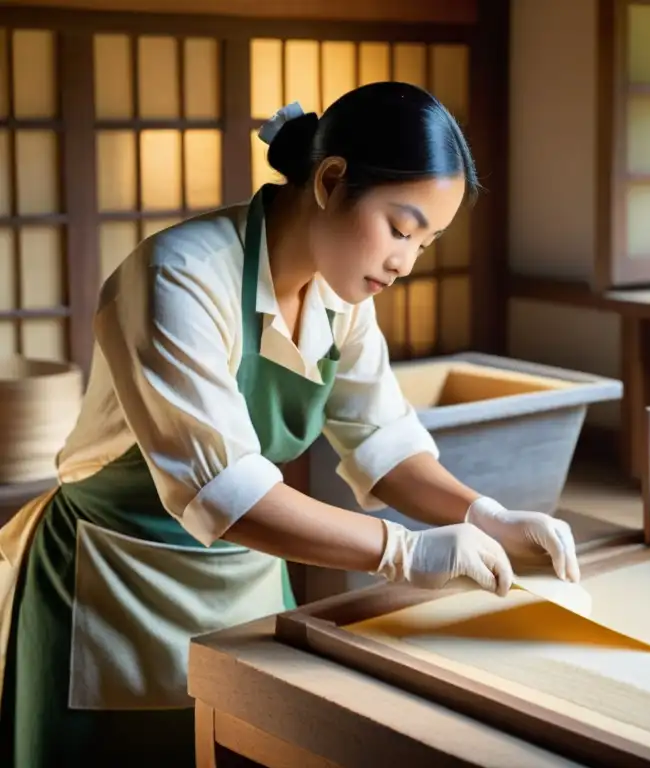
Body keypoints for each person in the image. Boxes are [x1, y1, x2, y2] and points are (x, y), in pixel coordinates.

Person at [0, 82, 580, 767]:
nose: (405, 262)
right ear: (332, 182)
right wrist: (405, 552)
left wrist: (486, 515)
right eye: (400, 228)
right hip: (114, 582)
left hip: (246, 571)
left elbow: (383, 441)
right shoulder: (177, 278)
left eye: (426, 242)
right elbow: (229, 495)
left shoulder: (343, 296)